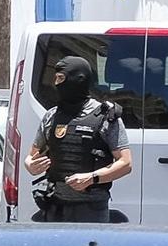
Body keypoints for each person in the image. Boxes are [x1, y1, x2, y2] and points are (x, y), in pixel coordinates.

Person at [25, 55, 132, 222]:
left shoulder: (105, 116)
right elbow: (31, 157)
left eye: (61, 78)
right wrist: (31, 165)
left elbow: (125, 164)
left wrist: (91, 178)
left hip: (92, 209)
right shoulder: (51, 116)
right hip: (55, 206)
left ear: (78, 79)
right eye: (56, 79)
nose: (56, 84)